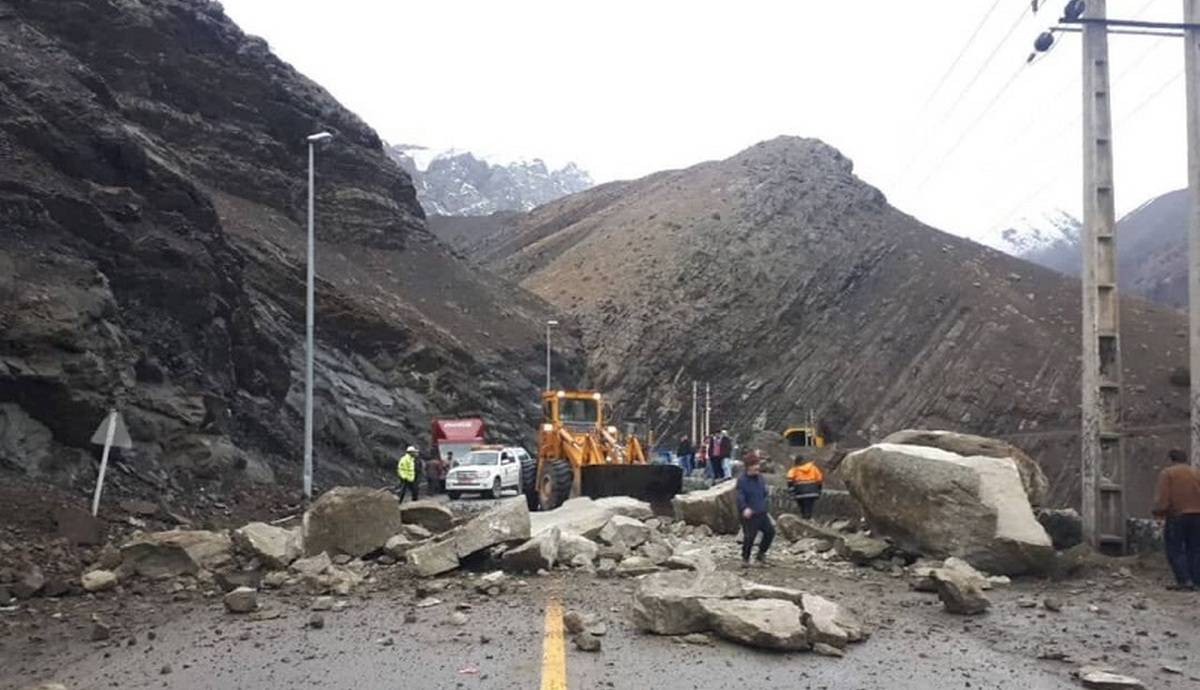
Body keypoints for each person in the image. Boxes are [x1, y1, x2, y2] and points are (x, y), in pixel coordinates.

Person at [1153, 448, 1200, 590]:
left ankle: (1184, 581)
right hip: (1198, 515)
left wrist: (1159, 513)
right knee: (1195, 549)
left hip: (1178, 516)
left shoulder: (1168, 473)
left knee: (1175, 549)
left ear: (1170, 459)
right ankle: (1196, 580)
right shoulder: (1197, 472)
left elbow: (1163, 498)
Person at [736, 452, 774, 567]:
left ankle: (760, 555)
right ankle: (745, 558)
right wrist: (744, 508)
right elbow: (740, 496)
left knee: (770, 532)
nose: (757, 467)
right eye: (754, 465)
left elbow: (763, 493)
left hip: (761, 511)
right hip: (749, 513)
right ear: (748, 467)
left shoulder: (760, 478)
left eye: (757, 464)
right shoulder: (742, 480)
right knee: (749, 537)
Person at [786, 455, 824, 519]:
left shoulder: (794, 470)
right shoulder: (813, 468)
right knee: (809, 508)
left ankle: (804, 519)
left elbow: (790, 481)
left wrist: (791, 493)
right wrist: (819, 490)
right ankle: (807, 519)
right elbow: (819, 479)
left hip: (800, 493)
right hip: (812, 492)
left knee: (803, 508)